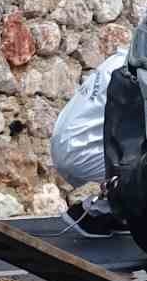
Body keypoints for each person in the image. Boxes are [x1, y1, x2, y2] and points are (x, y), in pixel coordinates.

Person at [52, 49, 129, 237]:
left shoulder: (119, 60)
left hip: (65, 143)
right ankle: (95, 211)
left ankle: (115, 210)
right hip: (81, 151)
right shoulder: (136, 70)